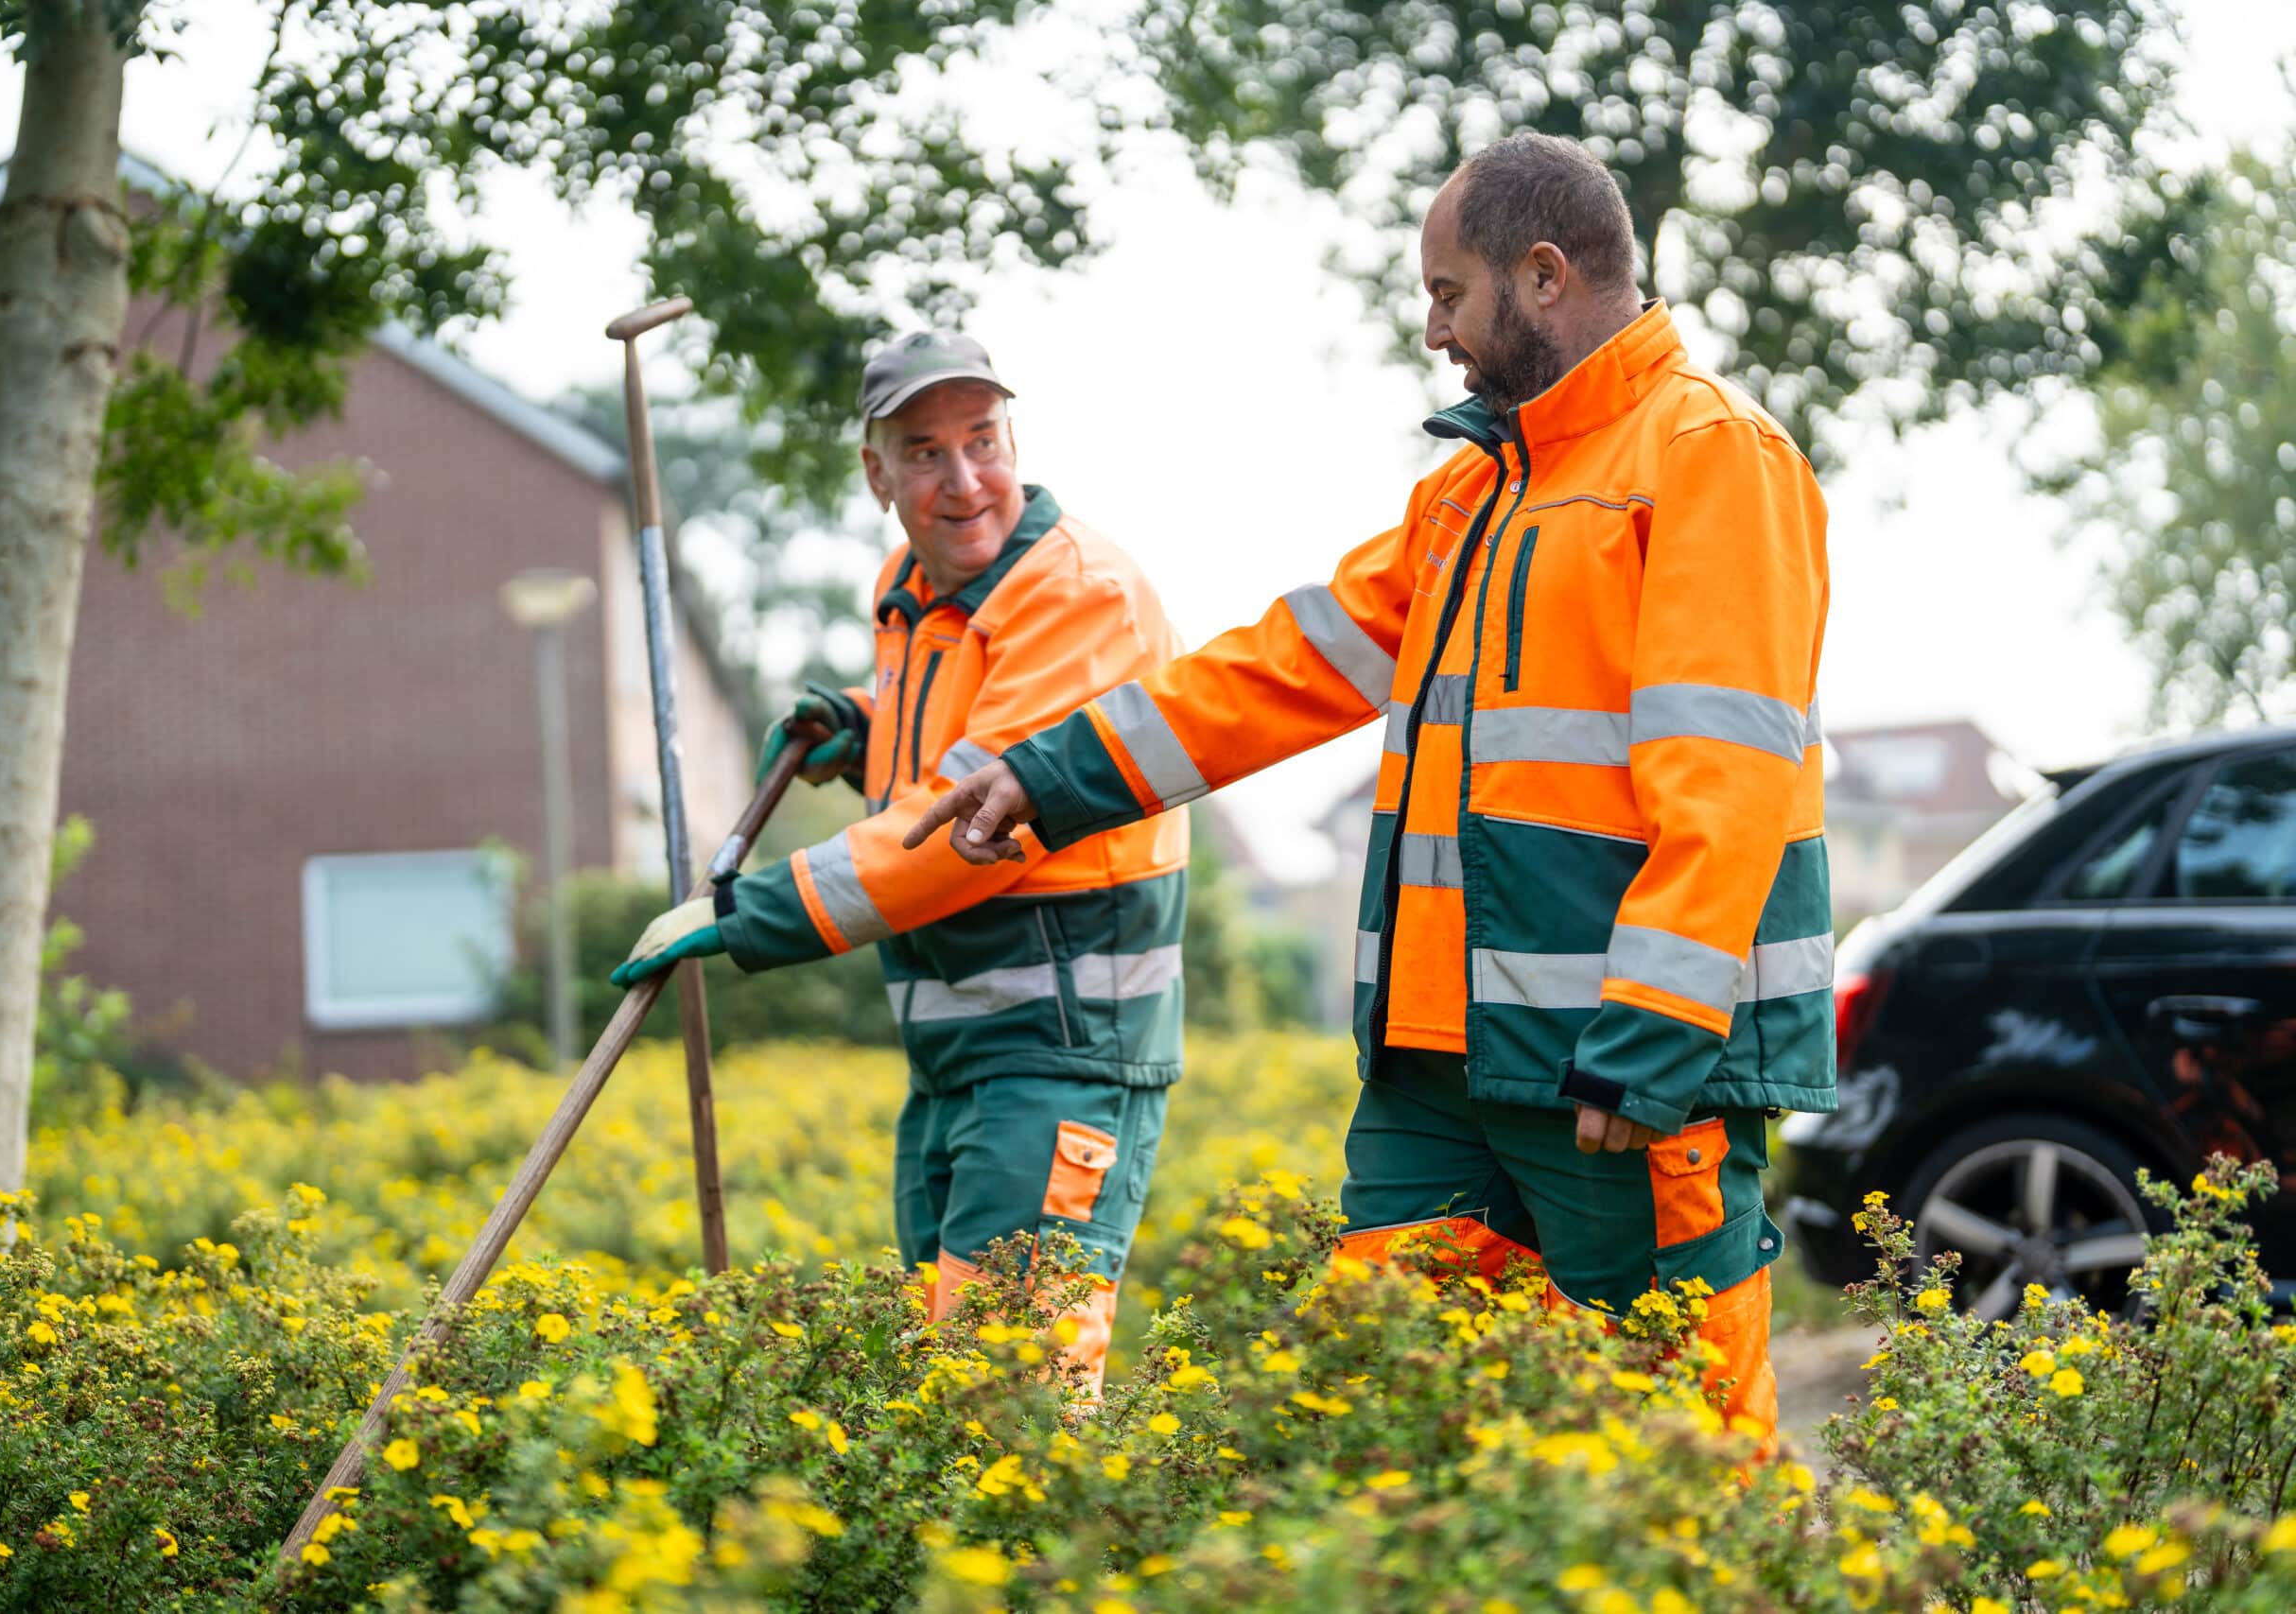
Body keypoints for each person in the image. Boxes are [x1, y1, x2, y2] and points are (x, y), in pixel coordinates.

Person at [906, 134, 1834, 1449]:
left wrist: (1654, 1037)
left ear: (1546, 274)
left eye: (1448, 293)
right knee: (1373, 1415)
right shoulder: (1474, 491)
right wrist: (1048, 773)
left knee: (1683, 1440)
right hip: (1438, 1073)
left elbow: (1726, 777)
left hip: (1619, 1074)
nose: (1436, 328)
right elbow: (1282, 667)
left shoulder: (1711, 459)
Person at [616, 331, 1189, 1393]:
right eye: (924, 452)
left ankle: (1054, 1562)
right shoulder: (913, 588)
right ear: (876, 475)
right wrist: (868, 727)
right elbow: (962, 738)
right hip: (953, 1054)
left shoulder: (1078, 597)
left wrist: (755, 913)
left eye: (982, 440)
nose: (964, 480)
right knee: (947, 1381)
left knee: (1011, 1387)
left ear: (1015, 439)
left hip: (1063, 1049)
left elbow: (969, 830)